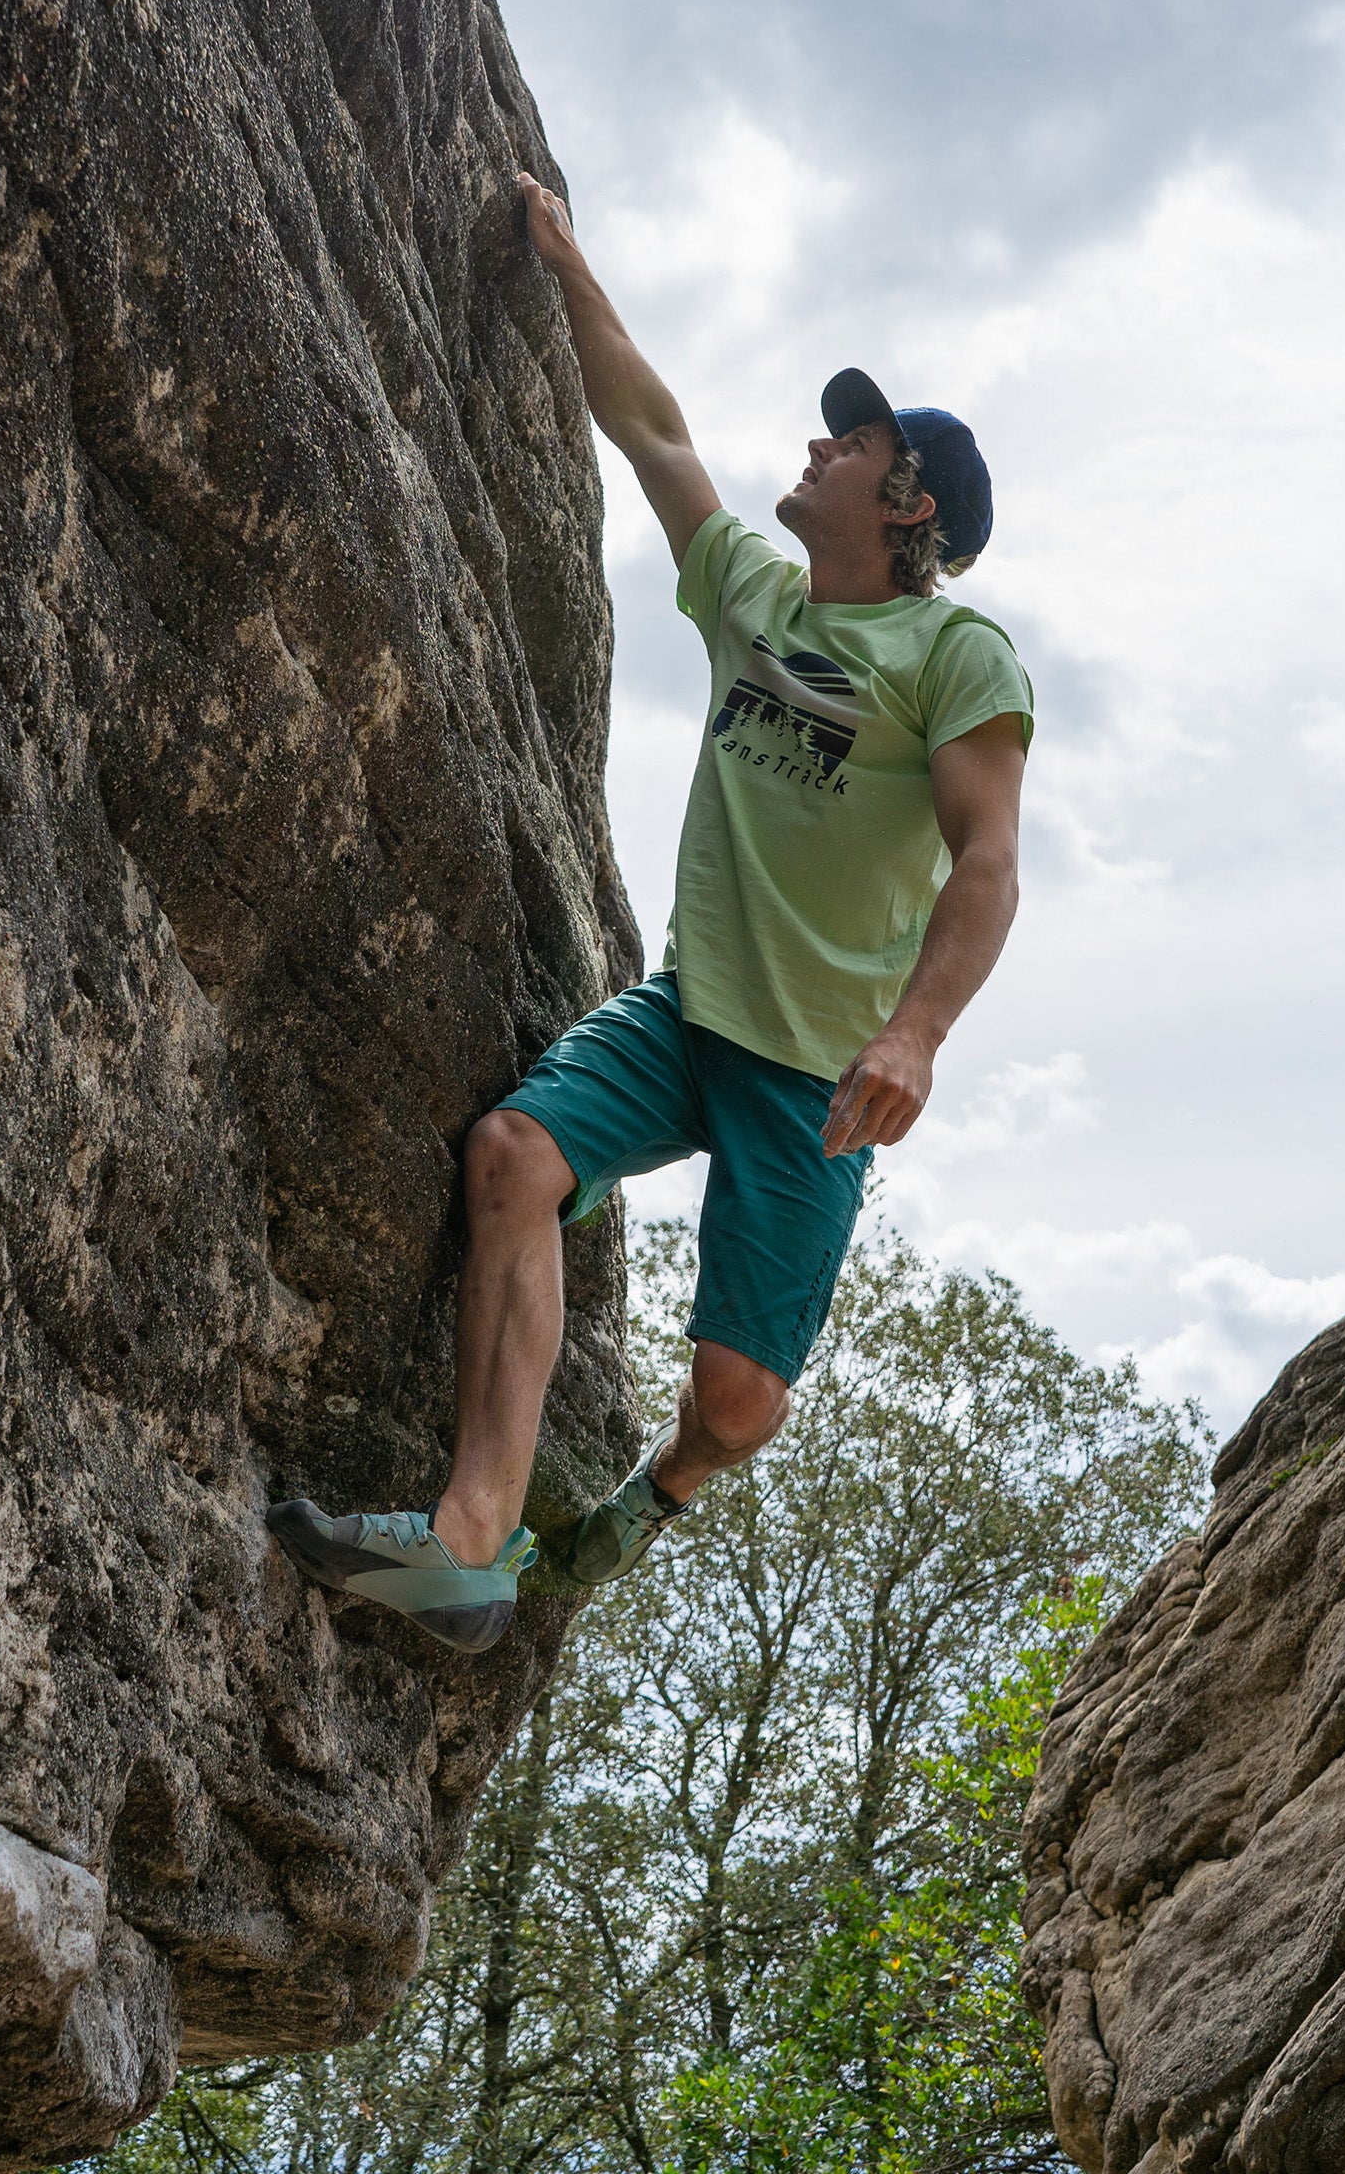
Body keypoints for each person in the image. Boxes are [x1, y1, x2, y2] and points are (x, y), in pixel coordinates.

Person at [266, 173, 1033, 1653]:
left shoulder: (954, 652)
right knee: (512, 1153)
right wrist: (568, 264)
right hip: (688, 1011)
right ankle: (465, 1549)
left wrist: (920, 1037)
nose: (816, 444)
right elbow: (653, 427)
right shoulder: (754, 585)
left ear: (910, 499)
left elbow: (988, 861)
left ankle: (644, 1504)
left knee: (739, 1401)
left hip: (815, 1076)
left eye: (854, 438)